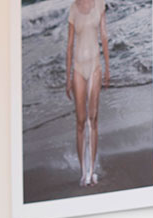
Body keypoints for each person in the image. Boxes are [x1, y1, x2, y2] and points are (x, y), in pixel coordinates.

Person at [65, 0, 110, 187]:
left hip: (95, 67)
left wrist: (108, 68)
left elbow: (104, 37)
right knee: (81, 121)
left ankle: (92, 173)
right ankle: (83, 172)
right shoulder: (73, 9)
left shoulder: (100, 4)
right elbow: (69, 46)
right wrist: (67, 77)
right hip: (78, 69)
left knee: (93, 118)